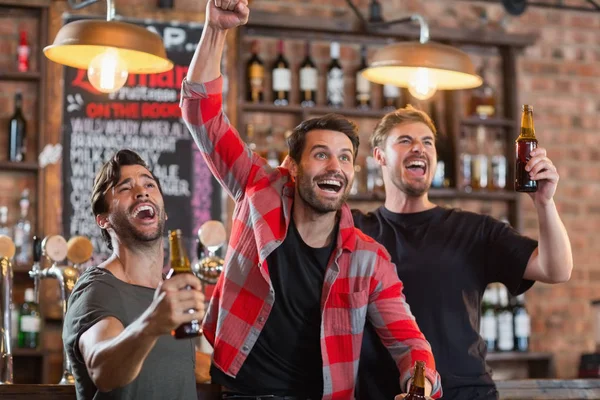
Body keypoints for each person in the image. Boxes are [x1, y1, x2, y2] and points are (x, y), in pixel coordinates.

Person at [179, 1, 443, 399]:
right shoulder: (259, 189)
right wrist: (215, 29)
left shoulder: (369, 259)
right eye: (321, 154)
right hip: (235, 391)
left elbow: (410, 343)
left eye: (344, 158)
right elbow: (202, 114)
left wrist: (419, 385)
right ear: (294, 167)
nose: (334, 166)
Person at [353, 106, 573, 400]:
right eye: (405, 140)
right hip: (379, 393)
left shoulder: (473, 229)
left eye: (427, 141)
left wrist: (545, 203)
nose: (419, 147)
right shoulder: (355, 231)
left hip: (466, 393)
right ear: (379, 155)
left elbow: (556, 270)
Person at [63, 149, 206, 400]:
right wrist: (152, 323)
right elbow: (102, 369)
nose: (142, 191)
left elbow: (178, 367)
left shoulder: (169, 292)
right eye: (125, 188)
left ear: (164, 211)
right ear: (103, 220)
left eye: (149, 184)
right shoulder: (97, 289)